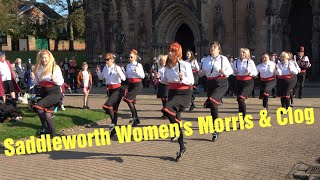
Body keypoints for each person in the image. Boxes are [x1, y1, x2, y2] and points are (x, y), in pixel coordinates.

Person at [161, 42, 194, 161]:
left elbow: (191, 80)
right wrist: (159, 78)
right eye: (169, 50)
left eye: (173, 51)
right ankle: (182, 147)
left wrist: (183, 78)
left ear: (178, 52)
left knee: (166, 109)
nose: (170, 53)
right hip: (172, 93)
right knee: (175, 122)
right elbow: (166, 81)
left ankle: (179, 135)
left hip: (184, 94)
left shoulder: (185, 65)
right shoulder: (167, 67)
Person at [200, 41, 233, 141]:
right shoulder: (205, 60)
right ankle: (217, 127)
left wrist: (224, 72)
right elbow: (203, 72)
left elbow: (230, 71)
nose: (212, 49)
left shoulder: (223, 59)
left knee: (213, 101)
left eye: (214, 47)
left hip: (221, 83)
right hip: (210, 84)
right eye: (211, 47)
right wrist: (201, 73)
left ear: (219, 49)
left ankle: (216, 129)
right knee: (212, 106)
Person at [31, 50, 64, 138]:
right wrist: (33, 78)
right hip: (44, 92)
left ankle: (44, 127)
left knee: (38, 107)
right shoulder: (38, 68)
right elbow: (37, 83)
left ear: (49, 58)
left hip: (54, 92)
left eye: (46, 58)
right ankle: (53, 135)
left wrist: (54, 79)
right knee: (47, 115)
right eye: (42, 58)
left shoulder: (55, 67)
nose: (44, 60)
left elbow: (60, 82)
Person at [96, 53, 126, 137]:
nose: (106, 61)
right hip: (110, 90)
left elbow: (124, 78)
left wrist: (118, 72)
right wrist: (98, 71)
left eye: (108, 59)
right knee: (114, 110)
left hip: (118, 90)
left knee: (107, 105)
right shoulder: (105, 68)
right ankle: (114, 128)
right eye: (105, 60)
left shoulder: (117, 67)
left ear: (112, 60)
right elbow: (102, 77)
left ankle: (113, 124)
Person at [233, 48, 258, 118]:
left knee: (241, 98)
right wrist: (235, 72)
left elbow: (255, 72)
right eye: (241, 52)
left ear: (247, 53)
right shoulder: (236, 62)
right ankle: (241, 116)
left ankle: (243, 118)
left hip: (248, 82)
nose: (242, 54)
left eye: (243, 52)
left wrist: (250, 72)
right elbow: (232, 72)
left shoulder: (250, 62)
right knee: (239, 100)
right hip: (238, 82)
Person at [123, 49, 145, 126]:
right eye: (129, 57)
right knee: (131, 101)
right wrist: (124, 72)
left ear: (135, 57)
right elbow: (127, 76)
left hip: (138, 84)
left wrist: (136, 71)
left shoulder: (138, 65)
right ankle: (136, 118)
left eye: (131, 57)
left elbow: (143, 76)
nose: (130, 58)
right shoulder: (128, 65)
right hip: (131, 84)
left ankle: (134, 117)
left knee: (127, 99)